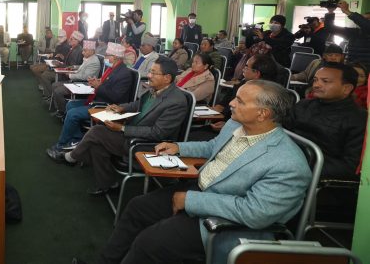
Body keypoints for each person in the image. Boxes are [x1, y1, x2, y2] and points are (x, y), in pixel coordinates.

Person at [84, 80, 310, 264]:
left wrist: (192, 201)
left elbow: (255, 213)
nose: (231, 103)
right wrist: (179, 147)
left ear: (262, 114)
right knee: (137, 207)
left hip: (224, 220)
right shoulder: (236, 125)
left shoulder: (288, 164)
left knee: (150, 243)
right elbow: (213, 147)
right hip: (200, 190)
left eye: (240, 101)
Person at [61, 58, 189, 197]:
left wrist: (122, 129)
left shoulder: (176, 101)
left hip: (146, 145)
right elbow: (138, 104)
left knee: (97, 132)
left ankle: (72, 157)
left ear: (167, 78)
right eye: (150, 71)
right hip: (133, 134)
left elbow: (158, 133)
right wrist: (121, 108)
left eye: (153, 73)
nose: (149, 75)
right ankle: (107, 183)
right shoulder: (155, 89)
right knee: (97, 143)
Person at [46, 42, 133, 156]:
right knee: (70, 105)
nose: (105, 58)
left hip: (108, 107)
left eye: (107, 55)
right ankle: (77, 139)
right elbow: (106, 85)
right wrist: (97, 82)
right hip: (100, 100)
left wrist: (99, 86)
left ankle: (61, 145)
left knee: (72, 113)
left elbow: (116, 97)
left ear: (115, 57)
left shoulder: (124, 74)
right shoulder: (112, 69)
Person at [286, 63, 367, 180]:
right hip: (287, 160)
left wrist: (303, 168)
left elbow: (350, 166)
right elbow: (282, 133)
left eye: (325, 81)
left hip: (313, 176)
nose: (316, 85)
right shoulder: (303, 105)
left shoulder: (359, 119)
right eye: (315, 80)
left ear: (346, 88)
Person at [189, 54, 278, 141]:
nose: (243, 69)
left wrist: (229, 126)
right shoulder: (243, 83)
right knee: (189, 131)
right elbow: (224, 104)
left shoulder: (266, 97)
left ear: (256, 73)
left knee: (191, 137)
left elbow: (254, 126)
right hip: (225, 125)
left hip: (237, 136)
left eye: (246, 67)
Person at [50, 40, 101, 116]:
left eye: (85, 51)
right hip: (77, 81)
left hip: (84, 84)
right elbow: (82, 67)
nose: (82, 52)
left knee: (58, 91)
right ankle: (59, 108)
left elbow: (85, 77)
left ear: (92, 51)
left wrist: (70, 75)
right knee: (54, 85)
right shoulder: (89, 58)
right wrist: (73, 67)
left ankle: (63, 112)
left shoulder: (94, 62)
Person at [39, 30, 84, 99]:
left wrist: (60, 64)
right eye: (70, 38)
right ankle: (50, 95)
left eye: (72, 39)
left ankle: (50, 96)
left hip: (66, 75)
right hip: (64, 71)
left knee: (45, 76)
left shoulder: (78, 51)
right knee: (46, 74)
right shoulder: (74, 48)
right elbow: (68, 62)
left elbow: (72, 67)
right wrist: (62, 60)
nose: (69, 40)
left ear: (77, 41)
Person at [324, 0, 370, 67]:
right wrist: (330, 12)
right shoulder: (354, 32)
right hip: (351, 68)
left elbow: (366, 25)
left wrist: (346, 11)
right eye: (366, 19)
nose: (366, 21)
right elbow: (330, 28)